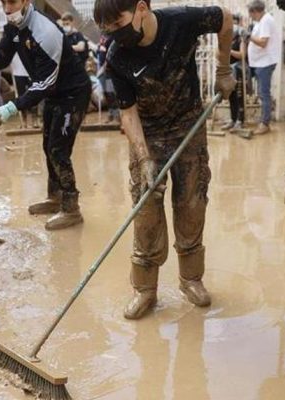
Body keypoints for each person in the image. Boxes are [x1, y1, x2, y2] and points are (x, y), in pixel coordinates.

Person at [93, 0, 235, 319]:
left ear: (141, 8)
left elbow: (226, 19)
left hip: (188, 126)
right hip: (147, 133)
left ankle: (191, 280)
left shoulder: (182, 21)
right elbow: (128, 114)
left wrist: (224, 68)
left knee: (192, 203)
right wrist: (144, 160)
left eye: (118, 25)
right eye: (108, 30)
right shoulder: (117, 56)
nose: (115, 35)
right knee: (146, 210)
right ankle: (145, 290)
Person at [0, 0, 91, 231]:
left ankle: (71, 207)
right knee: (48, 145)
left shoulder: (46, 31)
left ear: (26, 0)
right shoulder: (13, 27)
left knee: (58, 149)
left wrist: (10, 107)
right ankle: (54, 197)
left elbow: (43, 84)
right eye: (3, 2)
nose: (6, 9)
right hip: (54, 94)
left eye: (12, 2)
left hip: (73, 94)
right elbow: (0, 58)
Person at [247, 0, 280, 135]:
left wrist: (249, 37)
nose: (250, 16)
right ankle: (265, 117)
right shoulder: (260, 22)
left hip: (265, 62)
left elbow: (263, 42)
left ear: (256, 11)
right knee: (262, 93)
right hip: (260, 62)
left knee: (263, 93)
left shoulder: (266, 20)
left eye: (251, 13)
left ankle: (265, 123)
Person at [222, 13, 246, 132]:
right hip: (228, 70)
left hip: (238, 70)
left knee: (239, 95)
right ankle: (232, 119)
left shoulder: (240, 38)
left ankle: (239, 121)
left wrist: (229, 51)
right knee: (231, 96)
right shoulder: (227, 38)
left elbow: (242, 55)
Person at [10, 53, 40, 129]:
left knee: (34, 94)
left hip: (31, 70)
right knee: (21, 95)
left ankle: (34, 120)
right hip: (18, 72)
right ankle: (24, 121)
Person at [96, 34, 120, 124]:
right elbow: (100, 51)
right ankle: (111, 114)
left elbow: (111, 53)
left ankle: (116, 115)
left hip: (108, 69)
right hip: (101, 70)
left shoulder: (112, 37)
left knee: (111, 92)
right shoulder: (102, 36)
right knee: (106, 93)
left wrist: (105, 66)